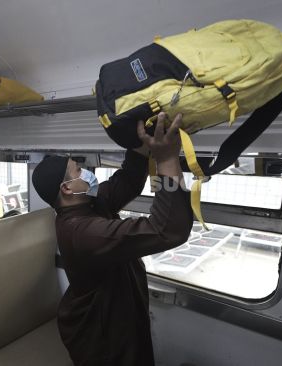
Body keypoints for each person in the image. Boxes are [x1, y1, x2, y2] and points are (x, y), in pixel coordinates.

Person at [31, 113, 193, 366]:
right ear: (67, 188)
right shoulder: (83, 232)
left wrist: (141, 145)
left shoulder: (88, 203)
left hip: (118, 316)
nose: (86, 173)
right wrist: (168, 160)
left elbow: (126, 181)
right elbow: (167, 229)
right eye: (79, 170)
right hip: (102, 334)